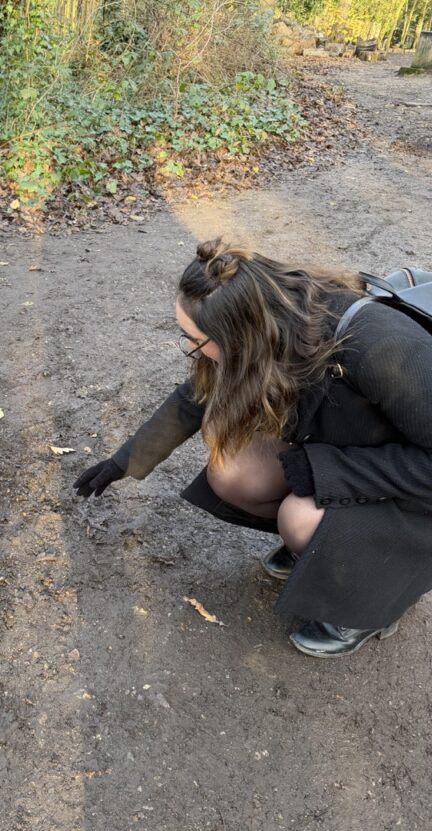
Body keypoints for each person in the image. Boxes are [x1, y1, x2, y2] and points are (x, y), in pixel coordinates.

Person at [74, 238, 432, 658]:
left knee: (299, 517)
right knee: (233, 472)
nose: (193, 351)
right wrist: (127, 460)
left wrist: (326, 471)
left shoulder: (381, 347)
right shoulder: (271, 323)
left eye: (195, 339)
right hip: (366, 459)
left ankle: (370, 604)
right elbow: (198, 394)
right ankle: (325, 551)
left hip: (417, 494)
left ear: (237, 335)